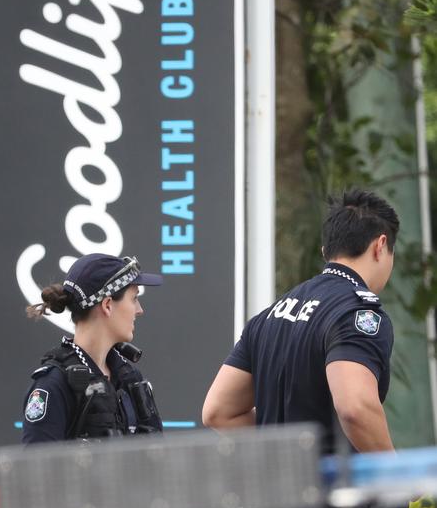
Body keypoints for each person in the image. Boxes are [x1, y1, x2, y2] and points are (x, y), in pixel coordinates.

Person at [202, 189, 399, 454]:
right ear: (380, 246)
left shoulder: (270, 314)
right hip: (334, 491)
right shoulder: (358, 314)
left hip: (277, 490)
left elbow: (218, 412)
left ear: (325, 251)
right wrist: (393, 471)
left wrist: (291, 451)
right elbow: (355, 408)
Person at [22, 253, 163, 444]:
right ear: (107, 305)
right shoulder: (53, 385)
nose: (139, 310)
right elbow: (37, 470)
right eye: (134, 298)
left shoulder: (130, 379)